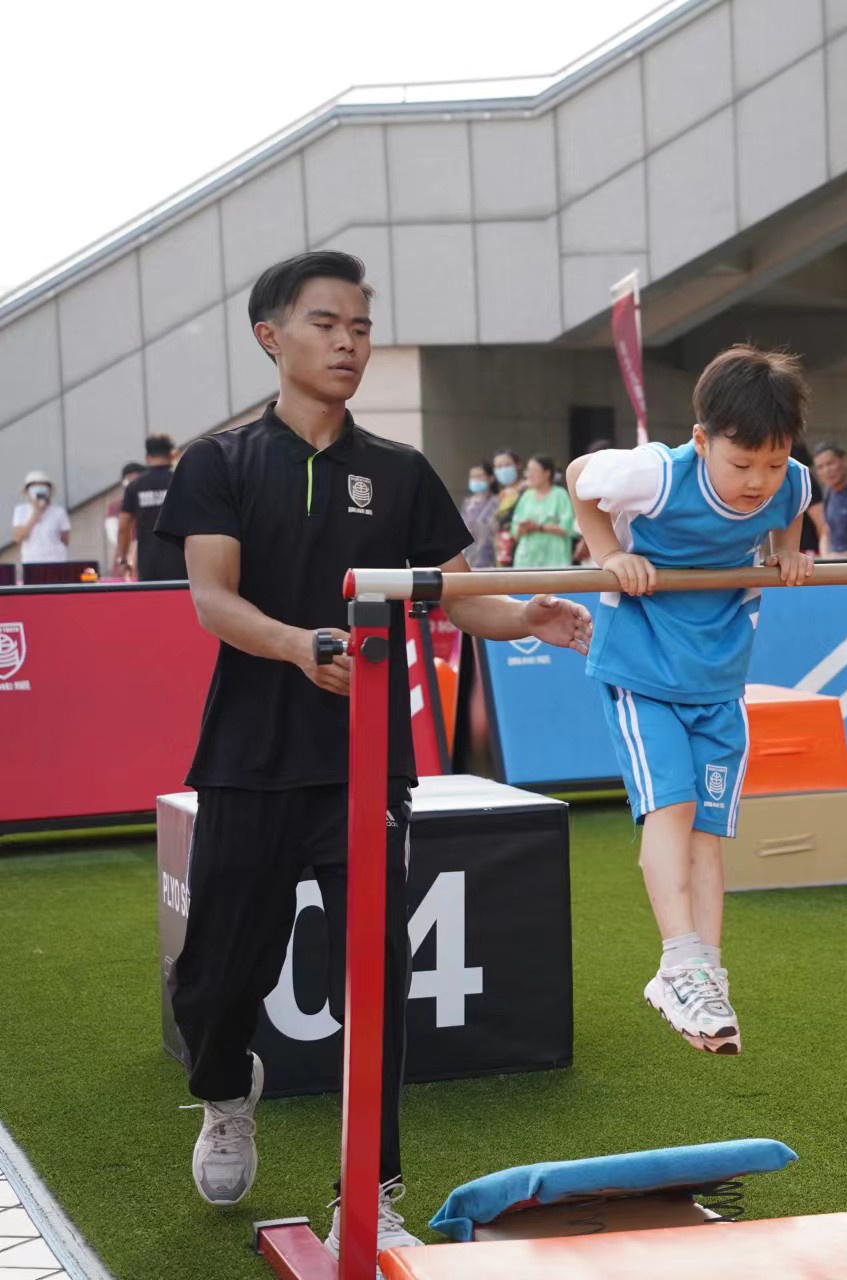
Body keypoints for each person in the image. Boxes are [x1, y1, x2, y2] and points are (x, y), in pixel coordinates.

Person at [155, 251, 592, 1262]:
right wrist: (299, 645)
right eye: (326, 323)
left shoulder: (399, 471)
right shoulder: (219, 463)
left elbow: (456, 593)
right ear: (271, 337)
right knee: (216, 978)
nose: (348, 341)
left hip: (364, 766)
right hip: (248, 757)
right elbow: (212, 598)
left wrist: (526, 614)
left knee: (373, 980)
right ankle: (226, 1090)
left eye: (360, 325)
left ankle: (373, 1191)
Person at [567, 344, 814, 1057]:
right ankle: (677, 960)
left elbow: (794, 503)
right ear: (702, 441)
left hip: (718, 679)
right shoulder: (652, 473)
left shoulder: (790, 483)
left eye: (773, 463)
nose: (758, 482)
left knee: (708, 829)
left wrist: (786, 550)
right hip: (641, 667)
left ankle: (706, 976)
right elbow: (580, 478)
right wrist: (608, 552)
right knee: (671, 807)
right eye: (742, 464)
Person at [117, 436, 188, 581]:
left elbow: (123, 527)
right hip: (184, 566)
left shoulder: (135, 486)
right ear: (173, 455)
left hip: (148, 567)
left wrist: (123, 559)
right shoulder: (185, 481)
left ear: (147, 457)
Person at [508, 455, 577, 568]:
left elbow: (568, 528)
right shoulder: (526, 496)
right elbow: (514, 529)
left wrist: (539, 527)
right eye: (528, 470)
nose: (529, 475)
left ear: (547, 473)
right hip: (526, 560)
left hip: (555, 559)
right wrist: (523, 528)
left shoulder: (560, 495)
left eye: (534, 470)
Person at [11, 470, 71, 565]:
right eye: (34, 487)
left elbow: (65, 539)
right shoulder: (21, 510)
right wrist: (36, 512)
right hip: (31, 562)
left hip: (57, 560)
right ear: (27, 491)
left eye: (43, 486)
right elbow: (18, 538)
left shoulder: (59, 511)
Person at [460, 463, 500, 569]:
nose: (475, 480)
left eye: (479, 476)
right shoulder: (468, 503)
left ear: (491, 479)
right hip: (469, 559)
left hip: (491, 559)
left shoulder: (497, 501)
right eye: (473, 477)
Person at [491, 449, 525, 566]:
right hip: (503, 554)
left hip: (522, 553)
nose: (503, 470)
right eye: (498, 467)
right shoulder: (501, 495)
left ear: (517, 465)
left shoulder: (527, 491)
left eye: (507, 465)